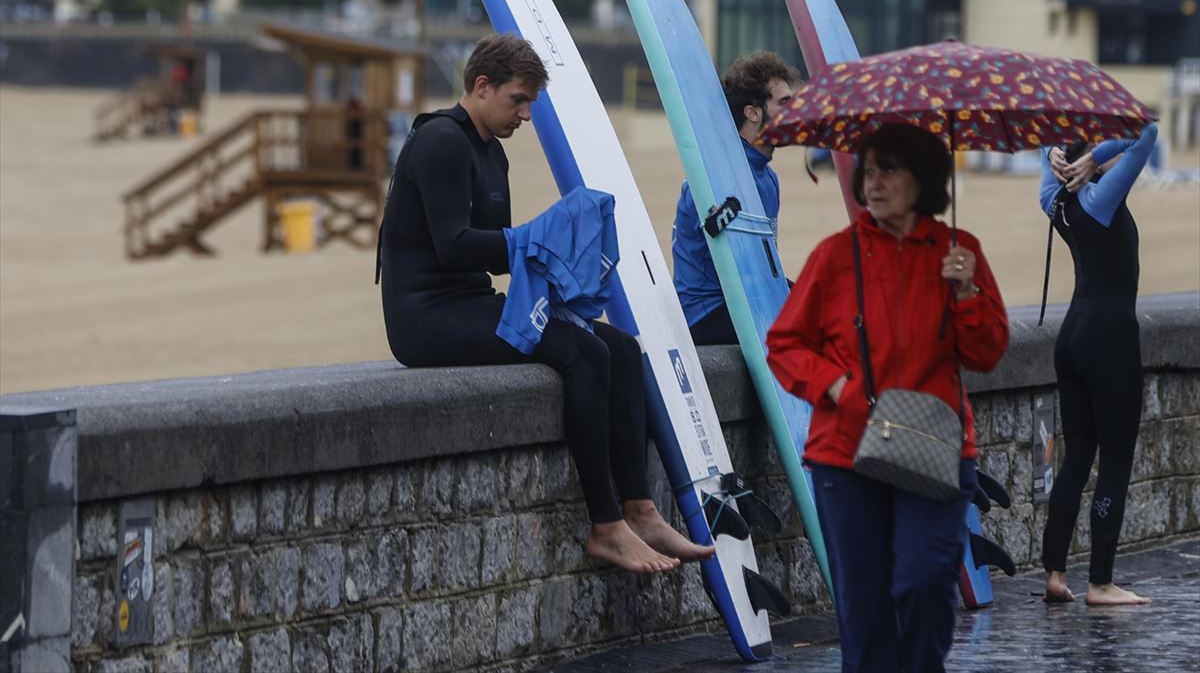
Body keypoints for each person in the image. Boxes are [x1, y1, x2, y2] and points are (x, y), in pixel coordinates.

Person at [376, 33, 713, 574]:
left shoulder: (492, 154)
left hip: (472, 303)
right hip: (427, 319)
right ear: (482, 86)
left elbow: (498, 255)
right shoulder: (440, 140)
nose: (527, 114)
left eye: (532, 102)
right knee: (584, 353)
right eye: (518, 100)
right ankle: (604, 527)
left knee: (621, 348)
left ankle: (640, 509)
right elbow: (453, 245)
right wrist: (537, 239)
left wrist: (562, 251)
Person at [765, 123, 1009, 673]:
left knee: (925, 582)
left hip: (936, 449)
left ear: (922, 179)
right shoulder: (834, 257)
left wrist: (967, 292)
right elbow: (784, 344)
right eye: (867, 171)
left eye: (888, 170)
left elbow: (988, 352)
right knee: (865, 608)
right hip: (845, 455)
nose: (872, 183)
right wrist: (838, 387)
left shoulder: (958, 253)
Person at [1039, 122, 1159, 606]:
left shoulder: (1056, 202)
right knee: (1116, 458)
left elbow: (1048, 156)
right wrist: (1100, 155)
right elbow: (1146, 134)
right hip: (1110, 342)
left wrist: (1053, 151)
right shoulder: (1102, 198)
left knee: (1077, 458)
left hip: (1071, 338)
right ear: (1089, 160)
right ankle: (1101, 582)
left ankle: (1054, 574)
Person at [672, 51, 798, 344]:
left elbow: (766, 265)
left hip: (748, 298)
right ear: (753, 112)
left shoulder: (767, 178)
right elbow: (720, 239)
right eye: (784, 103)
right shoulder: (716, 173)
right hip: (707, 312)